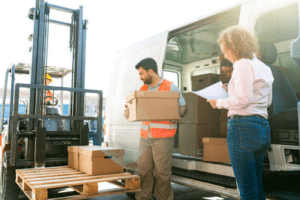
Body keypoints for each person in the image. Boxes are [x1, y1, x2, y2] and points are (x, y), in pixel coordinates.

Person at [207, 26, 274, 200]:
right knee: (256, 186)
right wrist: (231, 89)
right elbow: (267, 100)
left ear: (234, 47)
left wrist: (218, 102)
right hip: (262, 129)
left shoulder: (242, 64)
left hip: (242, 129)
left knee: (246, 191)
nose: (226, 56)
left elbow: (244, 99)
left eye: (226, 51)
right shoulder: (263, 67)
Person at [124, 58, 187, 200]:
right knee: (144, 172)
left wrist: (178, 115)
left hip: (164, 137)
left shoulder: (170, 87)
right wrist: (128, 112)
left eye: (141, 74)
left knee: (162, 174)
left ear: (150, 71)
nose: (140, 77)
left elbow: (183, 107)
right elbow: (134, 110)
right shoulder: (143, 89)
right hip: (145, 137)